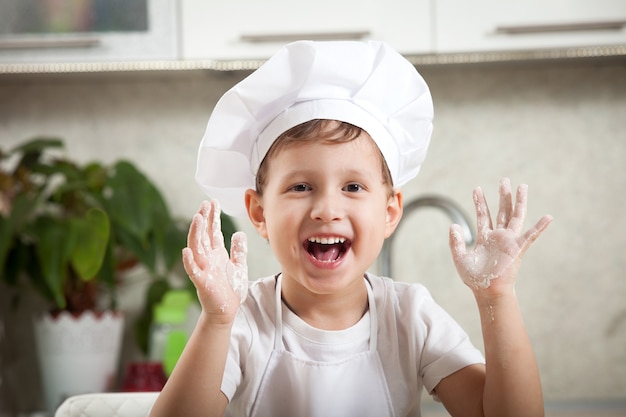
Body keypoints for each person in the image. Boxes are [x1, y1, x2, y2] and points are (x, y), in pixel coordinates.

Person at [150, 40, 552, 417]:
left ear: (390, 211)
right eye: (301, 186)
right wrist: (217, 320)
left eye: (353, 187)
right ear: (258, 213)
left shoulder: (410, 317)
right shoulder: (243, 322)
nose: (327, 209)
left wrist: (496, 299)